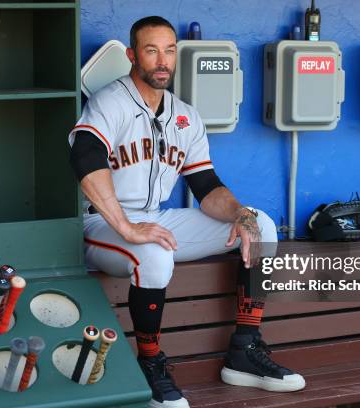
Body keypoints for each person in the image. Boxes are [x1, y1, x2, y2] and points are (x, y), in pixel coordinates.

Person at [68, 16, 305, 408]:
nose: (162, 60)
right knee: (154, 253)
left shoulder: (185, 116)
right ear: (132, 55)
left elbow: (206, 187)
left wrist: (239, 213)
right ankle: (149, 363)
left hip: (154, 218)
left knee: (260, 225)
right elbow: (84, 156)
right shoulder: (110, 101)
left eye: (169, 50)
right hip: (101, 223)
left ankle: (243, 353)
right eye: (151, 50)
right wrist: (126, 227)